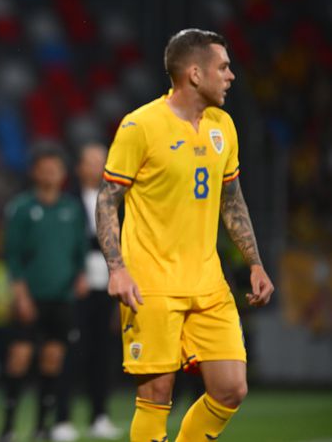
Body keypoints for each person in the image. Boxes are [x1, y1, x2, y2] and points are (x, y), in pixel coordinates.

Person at [95, 28, 274, 441]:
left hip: (208, 281)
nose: (231, 76)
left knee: (231, 389)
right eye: (223, 67)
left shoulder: (223, 126)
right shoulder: (140, 126)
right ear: (195, 73)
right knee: (157, 393)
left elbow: (232, 199)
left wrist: (255, 263)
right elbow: (107, 200)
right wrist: (117, 268)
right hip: (151, 281)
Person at [0, 142, 87, 442]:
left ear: (63, 173)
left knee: (52, 359)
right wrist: (21, 295)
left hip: (61, 297)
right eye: (44, 168)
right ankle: (8, 425)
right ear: (35, 172)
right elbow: (13, 256)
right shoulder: (22, 208)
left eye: (55, 168)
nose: (50, 173)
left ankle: (41, 426)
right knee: (19, 357)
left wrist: (81, 277)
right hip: (31, 296)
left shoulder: (72, 210)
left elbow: (79, 252)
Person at [52, 143, 123, 441]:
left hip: (108, 286)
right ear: (78, 167)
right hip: (75, 287)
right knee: (70, 352)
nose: (98, 166)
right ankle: (62, 419)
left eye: (102, 161)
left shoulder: (119, 200)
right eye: (91, 161)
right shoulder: (66, 202)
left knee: (102, 352)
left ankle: (99, 415)